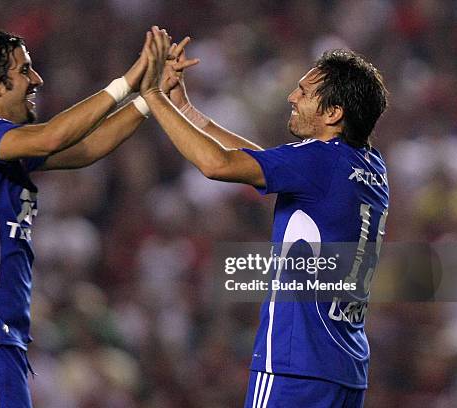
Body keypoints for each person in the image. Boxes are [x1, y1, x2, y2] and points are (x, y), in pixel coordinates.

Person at [0, 29, 196, 407]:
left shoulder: (1, 143)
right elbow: (53, 137)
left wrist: (150, 98)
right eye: (25, 70)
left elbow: (86, 148)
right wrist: (128, 80)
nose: (36, 79)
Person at [141, 26, 389, 407]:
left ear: (333, 112)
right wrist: (187, 110)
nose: (291, 97)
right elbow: (262, 161)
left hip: (294, 364)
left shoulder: (318, 162)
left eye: (304, 92)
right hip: (344, 369)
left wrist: (153, 96)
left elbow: (216, 164)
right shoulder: (369, 166)